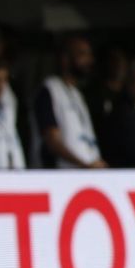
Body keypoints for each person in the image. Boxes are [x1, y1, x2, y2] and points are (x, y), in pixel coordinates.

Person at [34, 33, 104, 169]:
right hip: (59, 175)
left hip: (85, 174)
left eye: (89, 55)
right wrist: (83, 164)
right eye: (82, 54)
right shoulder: (49, 90)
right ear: (65, 58)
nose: (89, 60)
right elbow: (51, 140)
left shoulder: (77, 94)